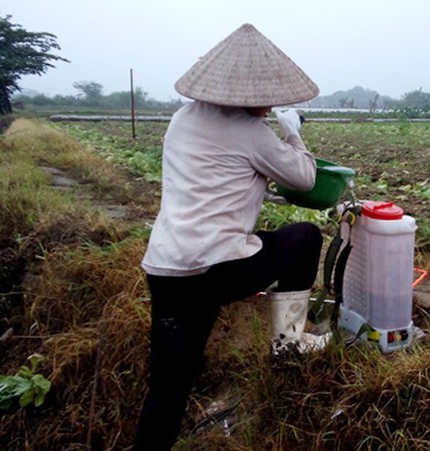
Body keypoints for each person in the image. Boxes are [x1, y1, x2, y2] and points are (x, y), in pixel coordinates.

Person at [134, 24, 323, 450]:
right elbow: (306, 178)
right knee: (306, 237)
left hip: (166, 267)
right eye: (267, 100)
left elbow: (214, 177)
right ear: (249, 98)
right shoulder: (251, 131)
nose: (270, 105)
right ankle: (287, 342)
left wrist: (260, 187)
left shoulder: (183, 118)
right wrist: (291, 130)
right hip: (216, 267)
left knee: (169, 385)